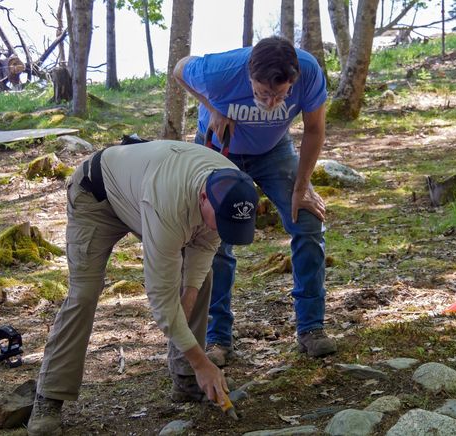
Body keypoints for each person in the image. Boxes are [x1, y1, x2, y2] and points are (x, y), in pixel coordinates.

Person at [27, 140, 259, 435]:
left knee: (202, 280)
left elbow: (200, 260)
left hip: (141, 194)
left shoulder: (230, 189)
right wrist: (203, 361)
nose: (221, 230)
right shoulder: (169, 202)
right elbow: (161, 299)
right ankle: (49, 396)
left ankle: (188, 378)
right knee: (83, 294)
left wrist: (187, 309)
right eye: (221, 223)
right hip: (96, 196)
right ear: (203, 198)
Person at [173, 35, 337, 366]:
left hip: (273, 151)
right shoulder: (219, 72)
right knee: (213, 240)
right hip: (220, 149)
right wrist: (212, 107)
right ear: (250, 76)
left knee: (307, 221)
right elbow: (178, 70)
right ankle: (217, 337)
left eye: (281, 94)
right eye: (263, 93)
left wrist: (302, 186)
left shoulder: (308, 70)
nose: (272, 101)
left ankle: (311, 328)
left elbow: (315, 130)